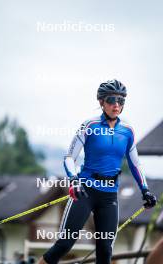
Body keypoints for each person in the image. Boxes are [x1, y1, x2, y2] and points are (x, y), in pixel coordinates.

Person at [38, 79, 157, 264]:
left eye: (121, 101)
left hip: (109, 197)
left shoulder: (127, 130)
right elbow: (69, 157)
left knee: (105, 251)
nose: (116, 105)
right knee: (64, 244)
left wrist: (145, 190)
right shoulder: (89, 125)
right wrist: (74, 180)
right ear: (101, 102)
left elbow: (135, 164)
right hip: (85, 191)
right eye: (111, 100)